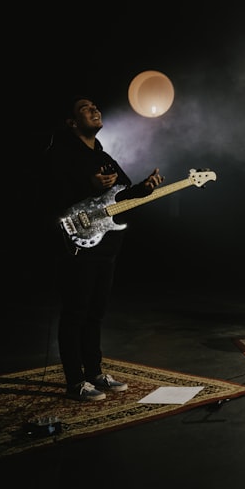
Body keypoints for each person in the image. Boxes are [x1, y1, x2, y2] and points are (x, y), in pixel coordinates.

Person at [45, 97, 164, 401]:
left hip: (105, 248)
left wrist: (145, 188)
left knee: (95, 314)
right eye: (85, 108)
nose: (95, 110)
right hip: (76, 247)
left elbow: (121, 196)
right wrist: (90, 184)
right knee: (75, 313)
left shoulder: (105, 156)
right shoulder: (59, 155)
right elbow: (50, 196)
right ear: (72, 123)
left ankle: (94, 372)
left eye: (95, 106)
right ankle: (75, 381)